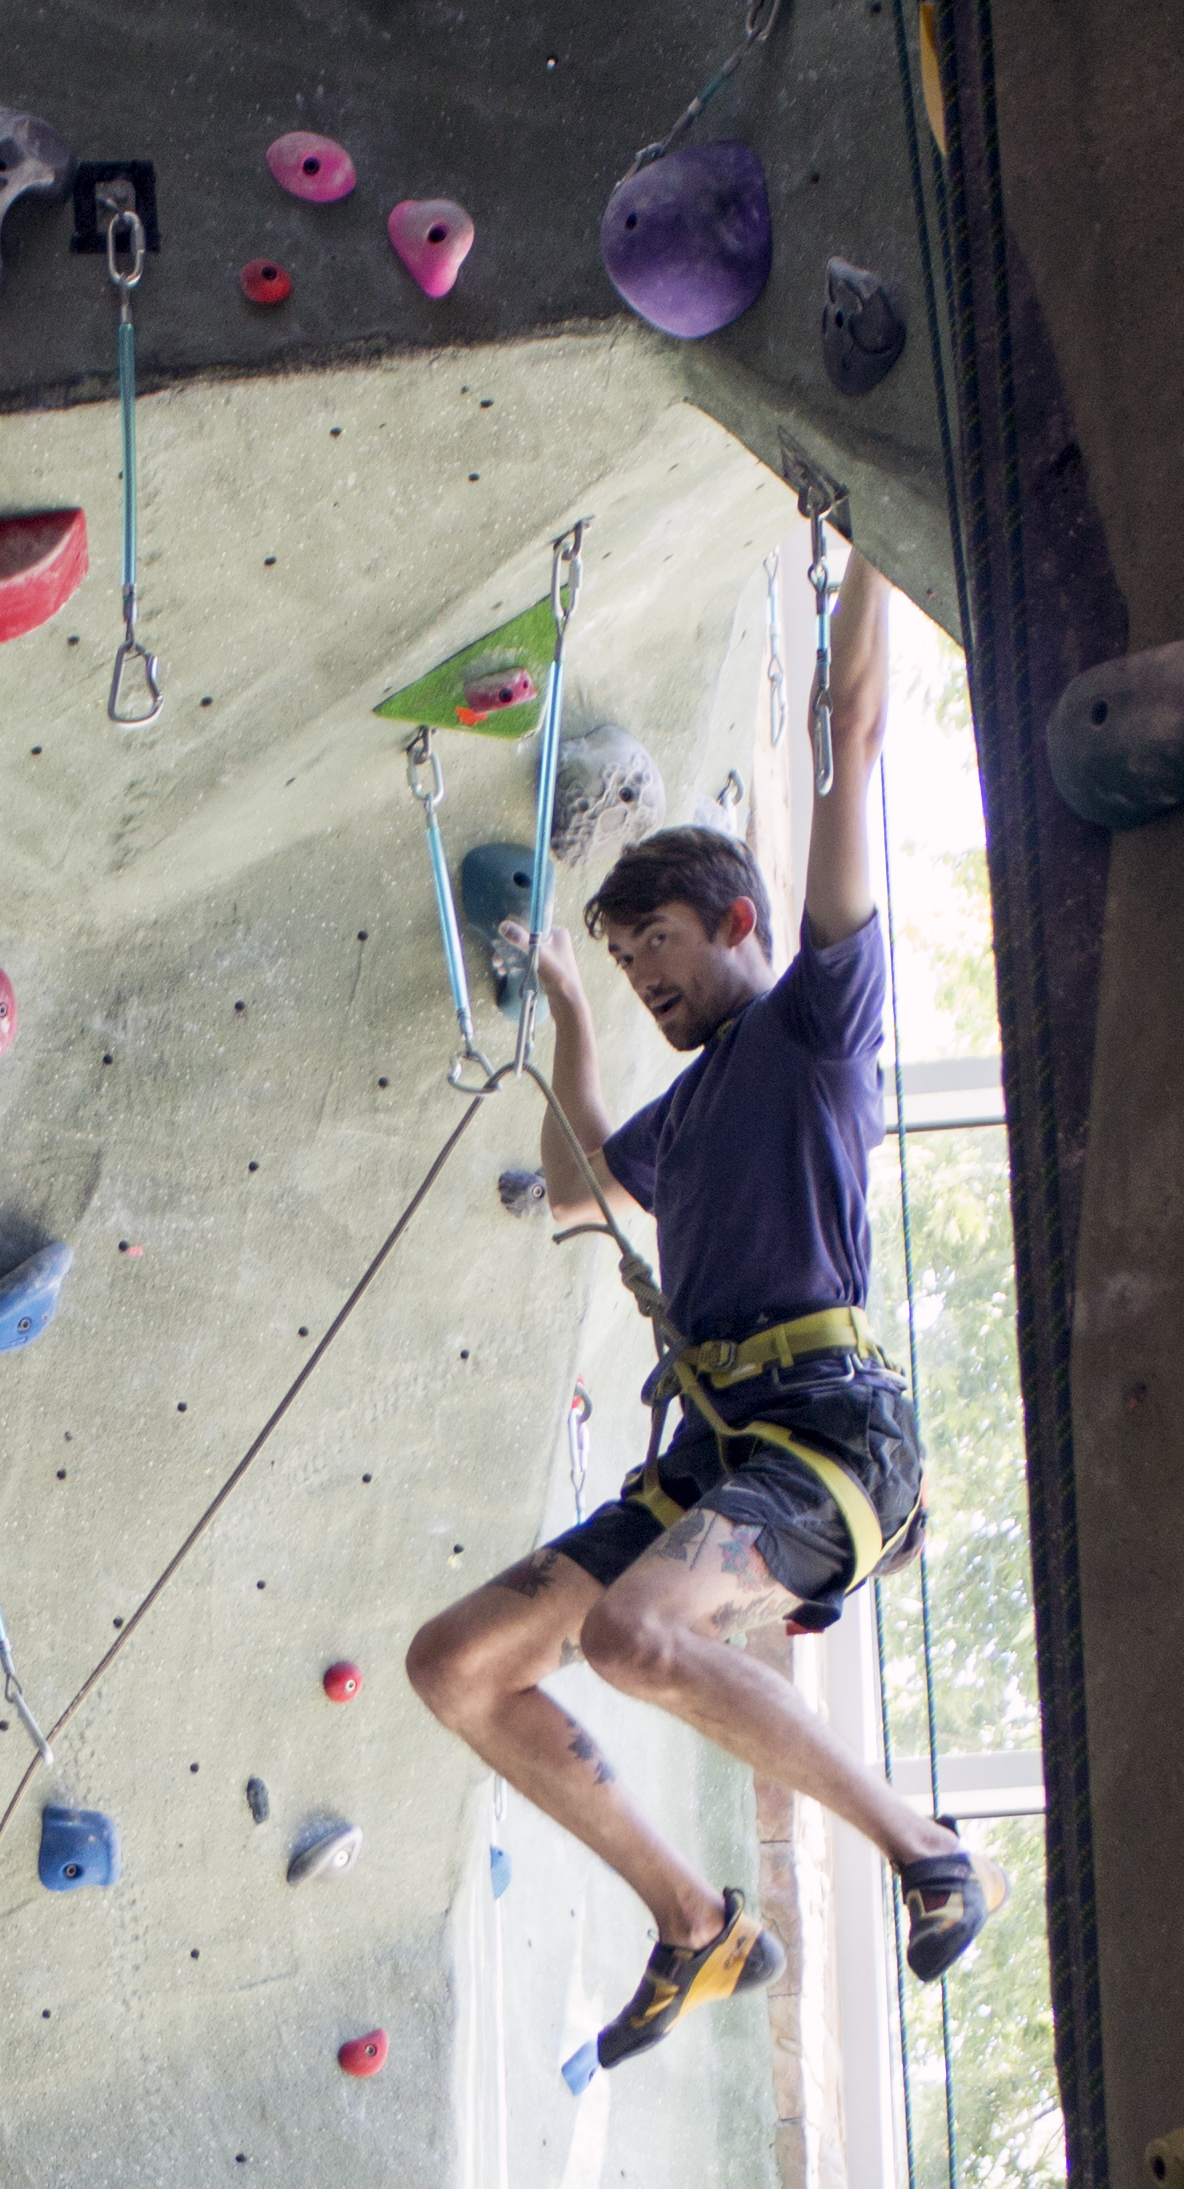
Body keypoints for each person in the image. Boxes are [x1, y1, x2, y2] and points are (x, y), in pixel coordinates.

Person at [405, 563, 983, 2075]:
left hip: (836, 1436)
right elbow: (580, 1184)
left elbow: (849, 733)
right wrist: (574, 1016)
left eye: (653, 944)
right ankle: (695, 1924)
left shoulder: (812, 1028)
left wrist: (857, 556)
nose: (647, 975)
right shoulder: (692, 1107)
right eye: (627, 959)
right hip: (720, 1452)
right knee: (456, 1665)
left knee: (632, 1638)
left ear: (734, 920)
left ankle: (922, 1843)